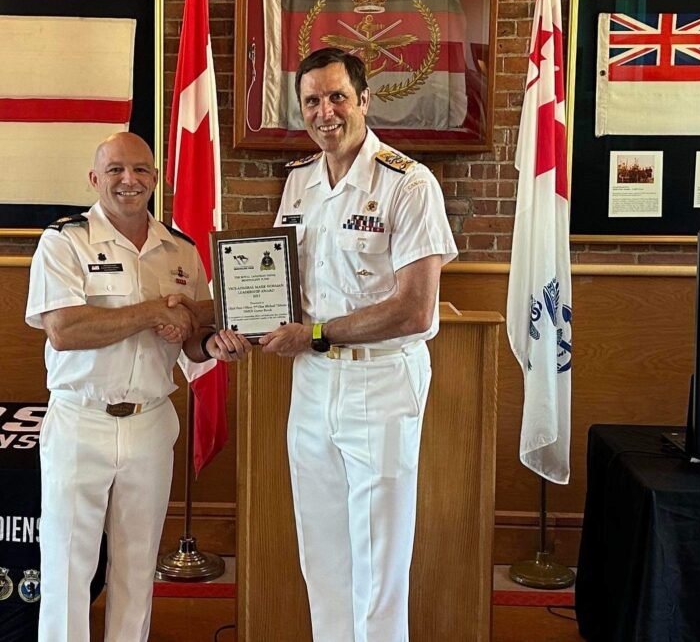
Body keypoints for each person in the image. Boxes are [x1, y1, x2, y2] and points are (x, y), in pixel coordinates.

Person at [256, 48, 458, 641]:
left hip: (380, 382)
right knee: (321, 552)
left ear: (365, 101)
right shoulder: (299, 183)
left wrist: (316, 333)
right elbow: (279, 285)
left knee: (378, 560)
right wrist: (237, 324)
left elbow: (413, 307)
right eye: (312, 100)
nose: (325, 112)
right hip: (312, 383)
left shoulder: (408, 183)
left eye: (338, 96)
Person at [24, 132, 250, 642]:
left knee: (137, 567)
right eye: (116, 170)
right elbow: (65, 331)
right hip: (81, 421)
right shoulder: (64, 242)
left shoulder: (181, 250)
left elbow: (192, 340)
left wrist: (211, 345)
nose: (130, 180)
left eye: (142, 170)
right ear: (94, 178)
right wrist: (153, 312)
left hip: (150, 422)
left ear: (156, 178)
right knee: (66, 569)